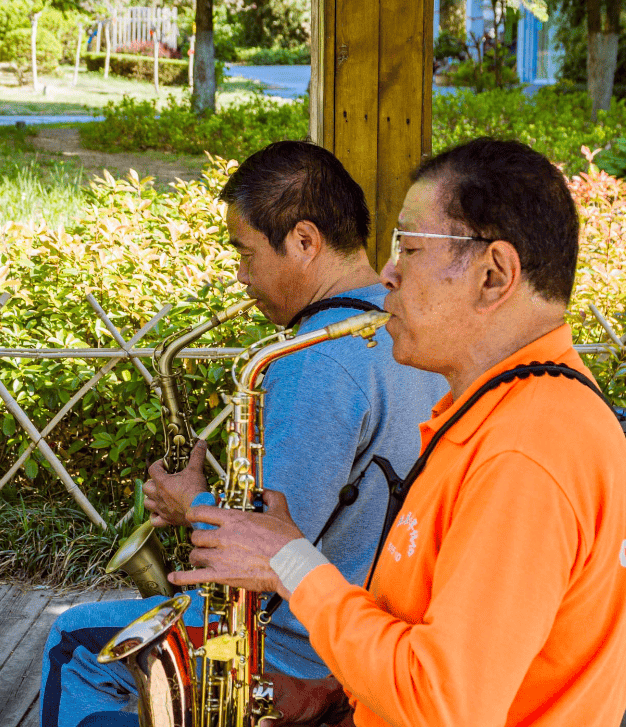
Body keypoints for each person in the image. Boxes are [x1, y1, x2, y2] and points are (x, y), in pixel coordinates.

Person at [171, 137, 626, 727]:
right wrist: (344, 691)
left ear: (493, 275)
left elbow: (445, 703)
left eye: (411, 249)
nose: (388, 273)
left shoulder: (525, 453)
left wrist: (290, 564)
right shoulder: (509, 413)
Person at [39, 141, 447, 727]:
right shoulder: (407, 332)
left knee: (72, 642)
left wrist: (193, 504)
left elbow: (270, 551)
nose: (240, 275)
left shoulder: (316, 362)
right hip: (377, 625)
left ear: (305, 242)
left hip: (299, 650)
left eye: (246, 253)